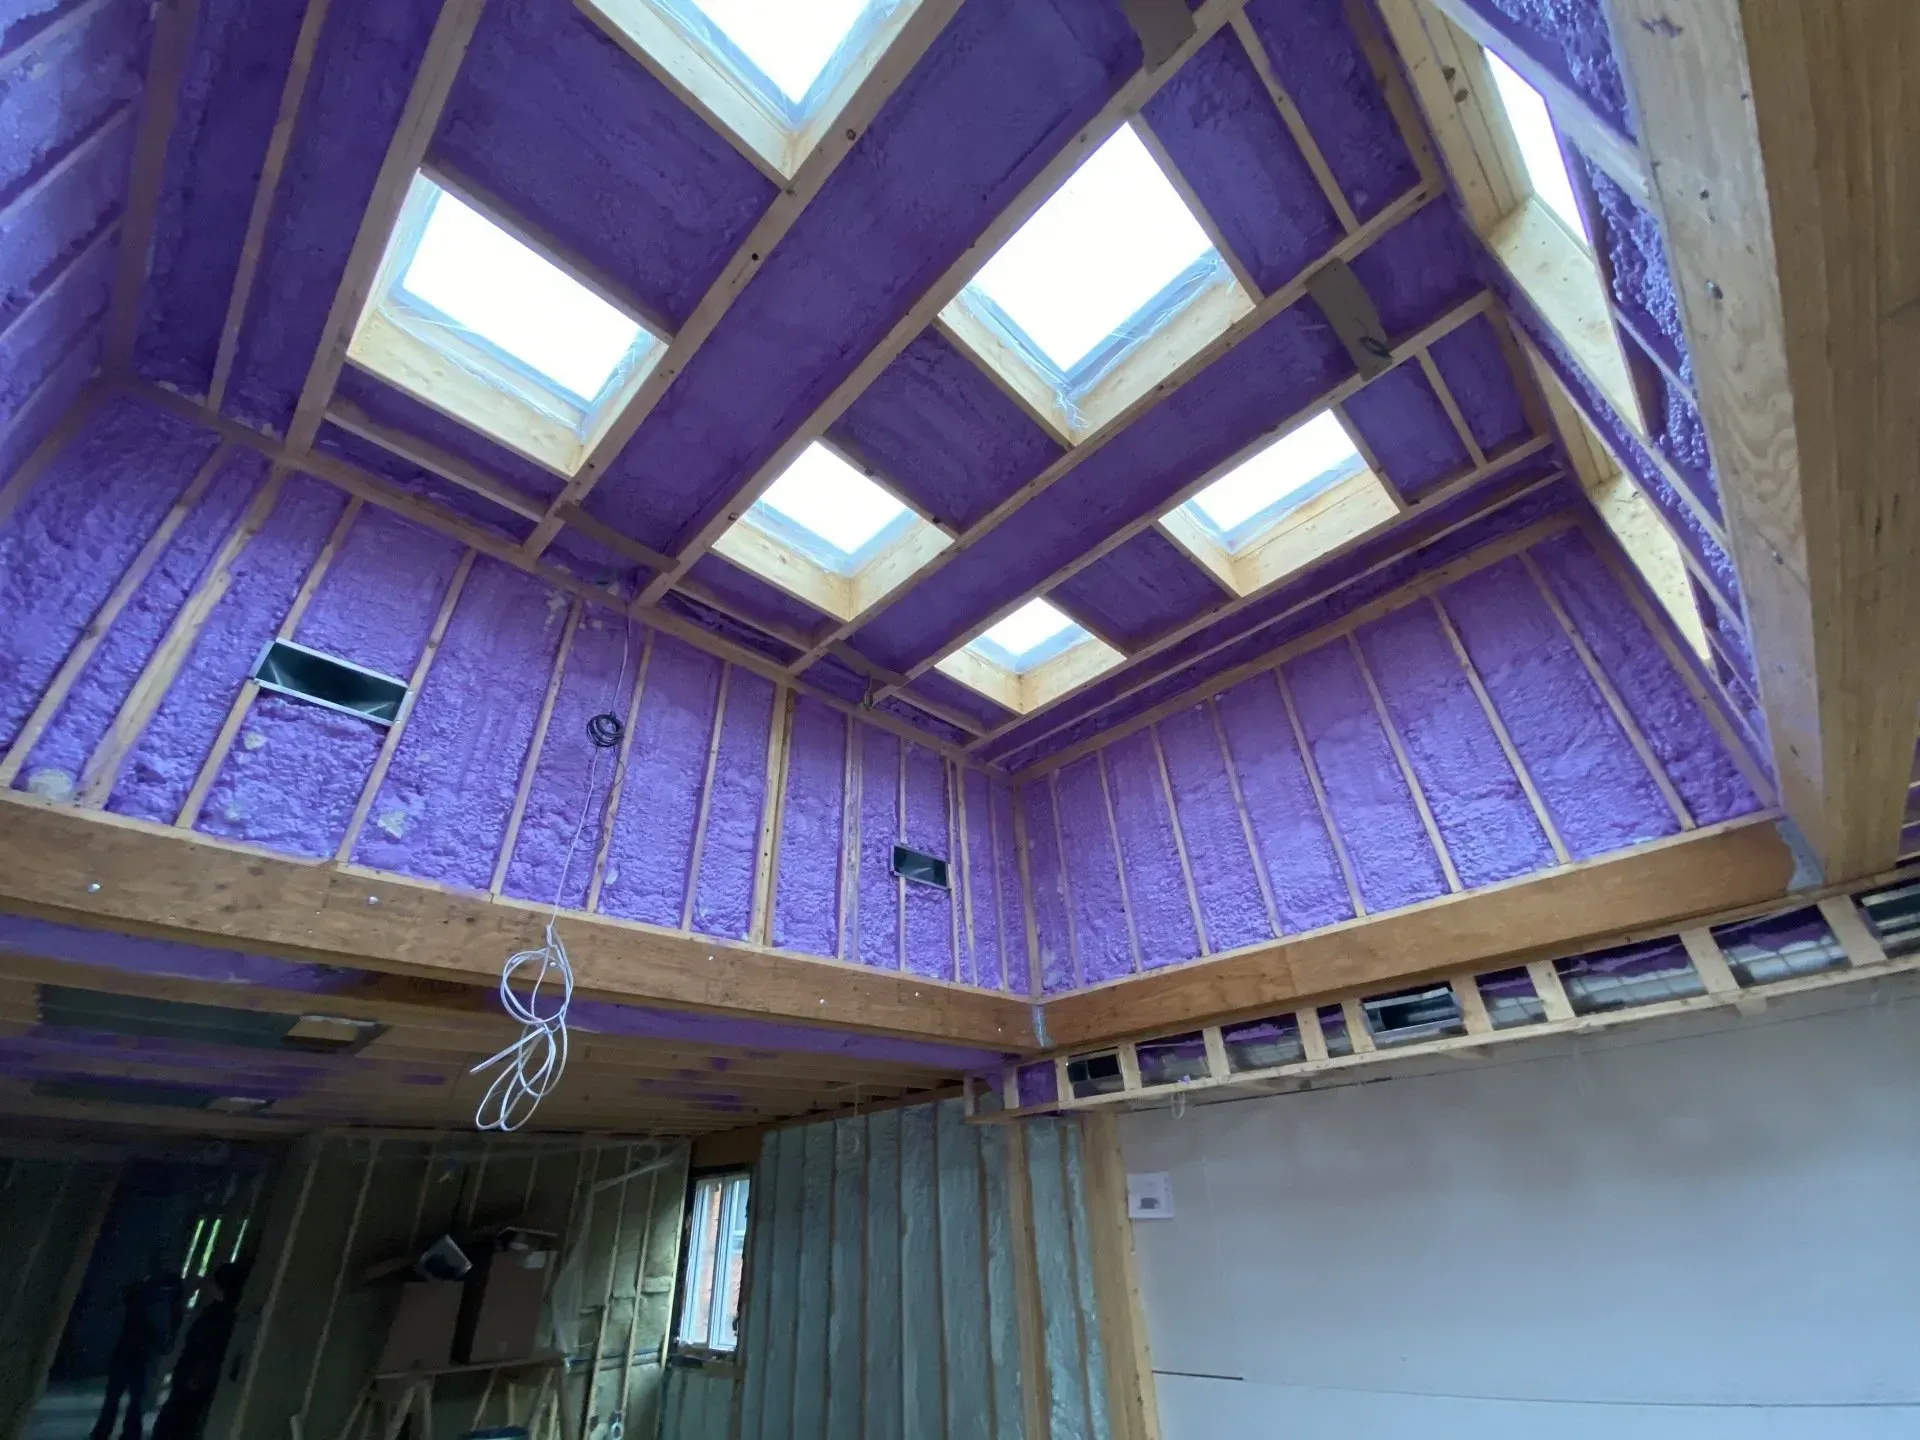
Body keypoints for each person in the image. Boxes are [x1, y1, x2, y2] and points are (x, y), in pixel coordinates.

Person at [150, 1263, 249, 1440]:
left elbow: (203, 1348)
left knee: (174, 1424)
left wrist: (194, 1376)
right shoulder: (225, 1315)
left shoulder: (217, 1316)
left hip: (192, 1380)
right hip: (194, 1380)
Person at [90, 1259, 184, 1440]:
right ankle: (130, 1433)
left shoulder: (140, 1290)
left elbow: (123, 1304)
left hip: (128, 1347)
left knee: (114, 1395)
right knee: (137, 1398)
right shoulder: (171, 1296)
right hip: (148, 1351)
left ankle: (103, 1430)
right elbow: (173, 1324)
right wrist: (166, 1345)